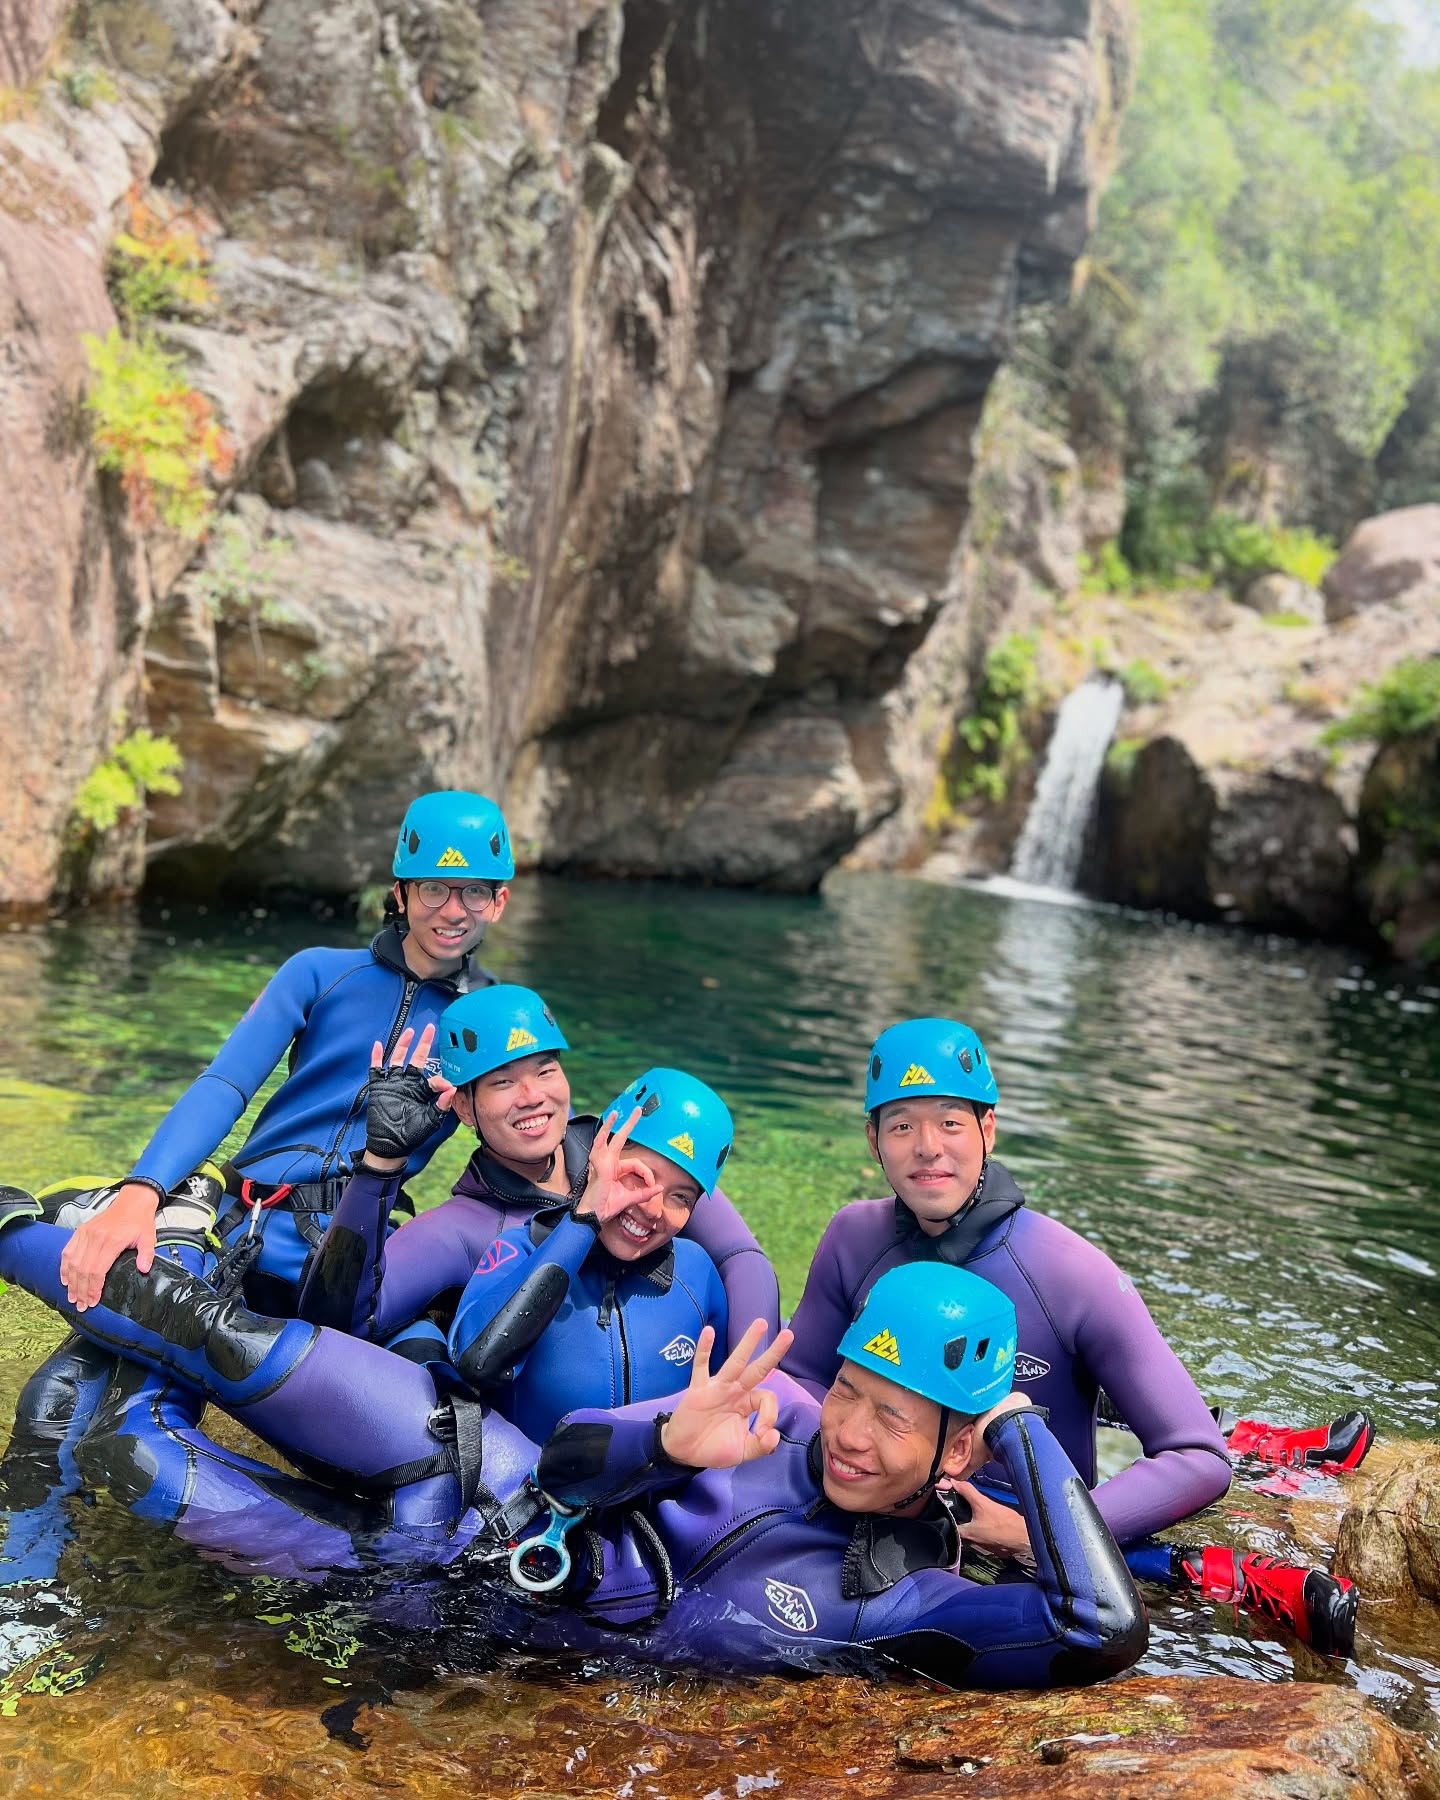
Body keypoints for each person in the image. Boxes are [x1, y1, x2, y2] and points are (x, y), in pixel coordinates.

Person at [0, 1185, 1149, 1686]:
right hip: (476, 1466)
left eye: (892, 1418)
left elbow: (1098, 1628)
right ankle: (20, 1228)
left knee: (130, 1456)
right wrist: (668, 1448)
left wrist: (1021, 1433)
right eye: (852, 1389)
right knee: (221, 1337)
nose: (847, 1430)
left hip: (446, 1593)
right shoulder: (769, 1409)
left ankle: (133, 1280)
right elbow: (564, 1457)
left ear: (958, 1453)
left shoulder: (910, 1602)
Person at [0, 789, 512, 1588]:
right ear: (401, 890)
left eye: (475, 890)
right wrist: (143, 1189)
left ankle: (370, 1585)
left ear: (501, 900)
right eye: (435, 888)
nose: (454, 909)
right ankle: (24, 1601)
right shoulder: (320, 972)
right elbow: (226, 1084)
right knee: (57, 1403)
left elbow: (528, 1142)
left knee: (439, 1438)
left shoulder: (491, 1023)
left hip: (354, 1258)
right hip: (240, 1227)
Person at [780, 1018, 1358, 1658]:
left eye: (950, 1122)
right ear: (873, 1140)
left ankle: (1207, 1553)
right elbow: (799, 1373)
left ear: (987, 1130)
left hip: (1018, 1513)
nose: (927, 1147)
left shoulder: (1069, 1272)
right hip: (897, 1489)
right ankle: (1249, 1442)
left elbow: (1196, 1458)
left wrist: (1037, 1530)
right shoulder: (852, 1239)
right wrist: (852, 1455)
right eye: (901, 1125)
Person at [298, 985, 780, 1360]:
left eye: (546, 1071)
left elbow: (744, 1259)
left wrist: (746, 1382)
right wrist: (381, 1163)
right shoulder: (466, 1228)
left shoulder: (629, 1158)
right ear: (464, 1106)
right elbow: (338, 1326)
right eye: (503, 1081)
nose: (533, 1096)